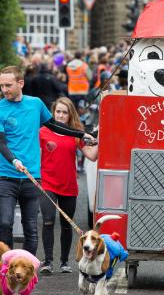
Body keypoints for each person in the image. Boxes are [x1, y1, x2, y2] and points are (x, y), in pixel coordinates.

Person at [0, 66, 96, 255]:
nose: (4, 90)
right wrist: (14, 161)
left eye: (8, 85)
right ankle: (7, 265)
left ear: (21, 83)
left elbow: (54, 126)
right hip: (6, 175)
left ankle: (28, 267)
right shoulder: (0, 108)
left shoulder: (35, 104)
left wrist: (81, 134)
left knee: (30, 228)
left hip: (32, 176)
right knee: (4, 222)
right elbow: (1, 143)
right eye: (1, 85)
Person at [39, 98, 98, 274]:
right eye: (58, 112)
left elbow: (92, 156)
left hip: (69, 184)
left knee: (66, 225)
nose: (61, 115)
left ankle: (64, 262)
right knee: (48, 221)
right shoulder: (43, 131)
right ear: (53, 113)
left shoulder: (76, 134)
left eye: (65, 112)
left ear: (70, 114)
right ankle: (48, 261)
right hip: (48, 182)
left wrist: (102, 136)